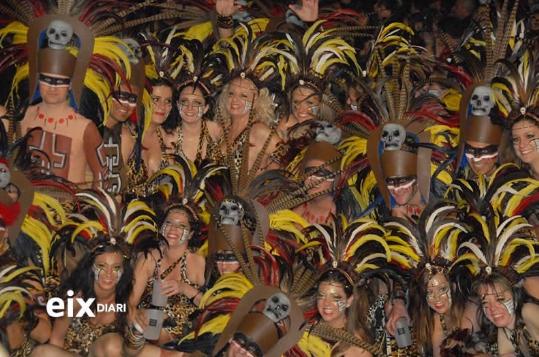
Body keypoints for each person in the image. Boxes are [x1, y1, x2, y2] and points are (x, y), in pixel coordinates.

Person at [30, 241, 133, 357]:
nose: (109, 273)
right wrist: (68, 312)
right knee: (42, 353)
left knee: (114, 345)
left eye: (116, 267)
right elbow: (56, 341)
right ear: (91, 267)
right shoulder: (75, 297)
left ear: (124, 271)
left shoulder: (127, 305)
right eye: (101, 266)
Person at [127, 204, 205, 353]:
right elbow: (131, 302)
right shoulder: (148, 258)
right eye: (169, 223)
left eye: (181, 225)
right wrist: (136, 318)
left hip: (187, 335)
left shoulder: (198, 261)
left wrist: (183, 288)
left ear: (190, 234)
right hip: (148, 328)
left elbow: (210, 306)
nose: (173, 229)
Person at [141, 78, 178, 176]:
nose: (162, 106)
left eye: (168, 101)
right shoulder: (127, 134)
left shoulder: (169, 141)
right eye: (156, 99)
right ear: (144, 100)